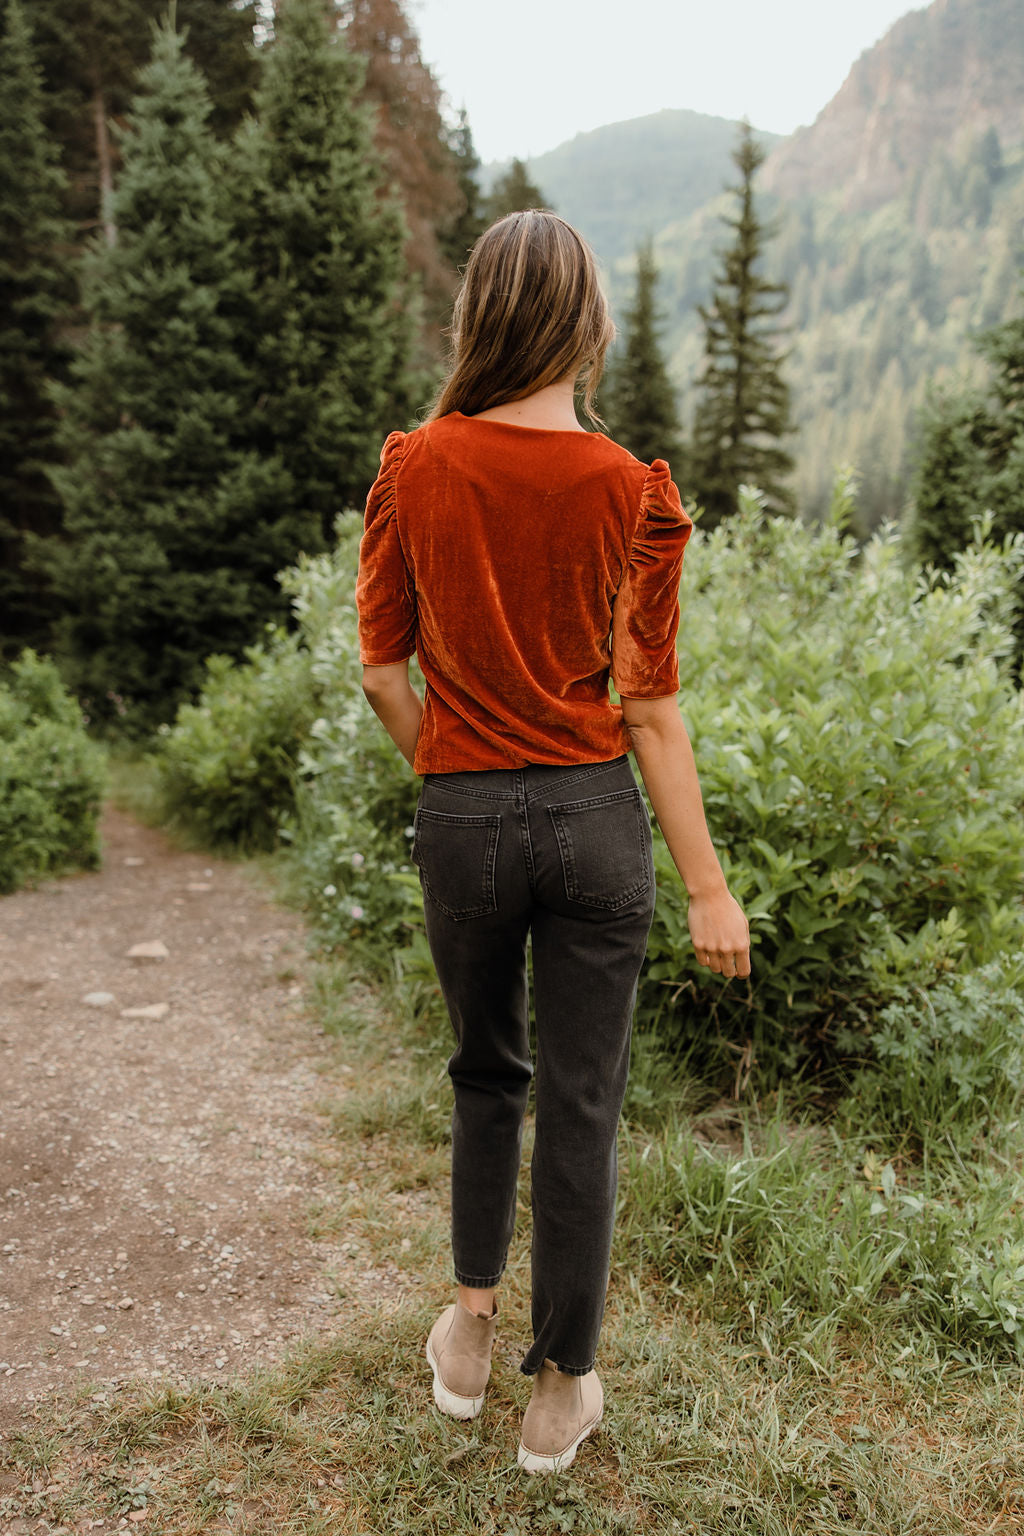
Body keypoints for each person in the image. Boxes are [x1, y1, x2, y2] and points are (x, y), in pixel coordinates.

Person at [355, 209, 750, 1474]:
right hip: (592, 819)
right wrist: (708, 887)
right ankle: (560, 1391)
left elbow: (379, 671)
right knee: (581, 1104)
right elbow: (647, 709)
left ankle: (467, 1336)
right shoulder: (630, 492)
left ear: (481, 317)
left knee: (487, 1071)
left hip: (461, 815)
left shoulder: (412, 466)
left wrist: (452, 770)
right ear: (586, 323)